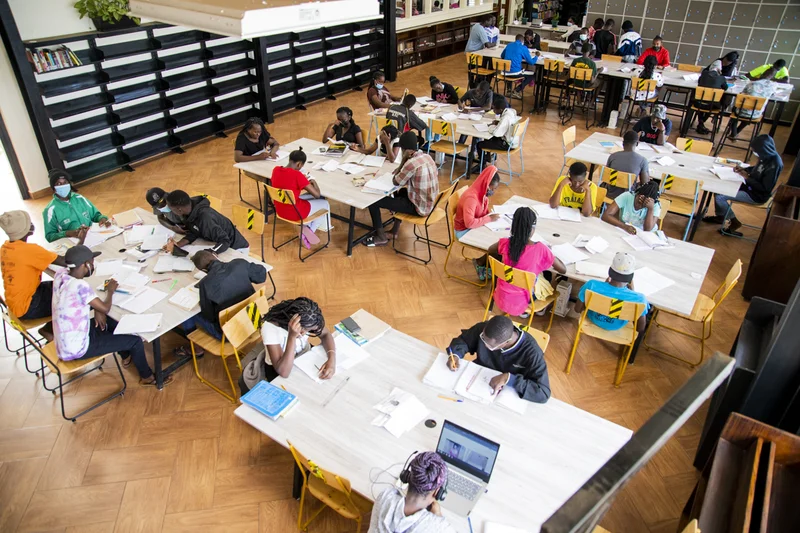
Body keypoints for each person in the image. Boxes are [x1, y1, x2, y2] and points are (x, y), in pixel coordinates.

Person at [52, 245, 165, 385]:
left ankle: (126, 355)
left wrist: (98, 310)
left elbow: (76, 303)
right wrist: (110, 291)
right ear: (85, 265)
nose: (93, 267)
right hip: (78, 348)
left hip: (66, 339)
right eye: (92, 264)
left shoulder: (61, 275)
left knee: (111, 322)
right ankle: (147, 377)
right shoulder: (80, 286)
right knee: (136, 341)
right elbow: (105, 308)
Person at [447, 315, 551, 403]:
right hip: (475, 381)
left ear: (507, 342)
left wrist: (510, 379)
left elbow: (543, 393)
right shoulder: (484, 330)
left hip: (505, 396)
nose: (485, 346)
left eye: (491, 346)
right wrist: (455, 354)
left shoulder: (532, 353)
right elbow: (464, 340)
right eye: (483, 339)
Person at [487, 207, 566, 317]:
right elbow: (563, 270)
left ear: (513, 226)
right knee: (547, 274)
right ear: (532, 229)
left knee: (524, 274)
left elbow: (490, 250)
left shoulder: (505, 243)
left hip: (501, 295)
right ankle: (534, 310)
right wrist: (552, 255)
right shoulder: (541, 249)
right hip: (523, 301)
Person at [365, 132, 439, 247]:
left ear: (407, 151)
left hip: (419, 208)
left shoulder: (411, 163)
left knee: (372, 201)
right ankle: (394, 231)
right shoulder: (427, 157)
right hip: (430, 203)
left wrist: (403, 163)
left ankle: (381, 237)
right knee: (402, 192)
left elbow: (396, 181)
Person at [0, 211, 68, 335]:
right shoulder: (29, 250)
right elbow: (65, 261)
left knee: (61, 284)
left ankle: (52, 327)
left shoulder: (5, 247)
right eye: (29, 223)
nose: (32, 225)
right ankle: (51, 330)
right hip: (28, 307)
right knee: (74, 295)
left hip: (15, 303)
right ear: (24, 229)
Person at [180, 250, 267, 342]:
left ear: (203, 270)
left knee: (186, 314)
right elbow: (261, 276)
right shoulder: (239, 263)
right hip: (255, 319)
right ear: (215, 256)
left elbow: (209, 316)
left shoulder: (205, 284)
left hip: (230, 334)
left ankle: (196, 350)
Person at [704, 135, 783, 236]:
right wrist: (745, 170)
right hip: (749, 186)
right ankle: (721, 216)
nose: (755, 154)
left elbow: (764, 188)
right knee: (718, 188)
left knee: (720, 197)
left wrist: (747, 177)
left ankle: (734, 222)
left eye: (756, 151)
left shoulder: (774, 164)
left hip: (756, 195)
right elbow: (758, 169)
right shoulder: (766, 156)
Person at [368, 452, 455, 533]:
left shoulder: (385, 497)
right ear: (437, 492)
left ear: (407, 476)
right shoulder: (439, 527)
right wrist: (438, 515)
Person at [258, 298, 335, 382]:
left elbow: (326, 334)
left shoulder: (309, 318)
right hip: (281, 366)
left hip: (303, 355)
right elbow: (284, 372)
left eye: (309, 330)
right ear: (292, 320)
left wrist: (332, 359)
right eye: (303, 329)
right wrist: (292, 337)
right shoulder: (270, 328)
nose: (304, 333)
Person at [573, 252, 649, 333]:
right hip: (617, 327)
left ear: (610, 271)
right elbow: (639, 328)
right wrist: (632, 292)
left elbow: (577, 309)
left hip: (593, 319)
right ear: (631, 277)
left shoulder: (591, 285)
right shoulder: (640, 299)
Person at [270, 149, 331, 248]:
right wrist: (313, 181)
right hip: (295, 212)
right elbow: (317, 195)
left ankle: (307, 229)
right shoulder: (297, 175)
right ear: (299, 164)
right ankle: (309, 231)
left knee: (307, 198)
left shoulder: (276, 170)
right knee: (324, 203)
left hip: (280, 209)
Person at [454, 166, 501, 281]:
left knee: (500, 240)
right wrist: (489, 219)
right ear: (486, 184)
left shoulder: (481, 193)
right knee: (497, 245)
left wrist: (489, 215)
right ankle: (484, 265)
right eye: (493, 188)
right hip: (464, 231)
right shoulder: (472, 198)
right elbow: (469, 223)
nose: (494, 191)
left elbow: (482, 212)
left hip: (473, 225)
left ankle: (483, 262)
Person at [164, 190, 249, 254]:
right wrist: (178, 244)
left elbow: (225, 241)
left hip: (236, 248)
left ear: (179, 209)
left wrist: (208, 253)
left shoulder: (205, 218)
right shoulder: (188, 211)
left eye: (171, 210)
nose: (171, 212)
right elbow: (194, 230)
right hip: (217, 244)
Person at [43, 169, 111, 242]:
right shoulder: (50, 210)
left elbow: (96, 215)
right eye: (59, 184)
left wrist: (102, 219)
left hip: (92, 236)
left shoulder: (80, 198)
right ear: (53, 188)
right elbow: (50, 236)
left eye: (65, 182)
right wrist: (67, 233)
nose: (63, 186)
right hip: (72, 243)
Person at [475, 95, 519, 172]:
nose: (493, 111)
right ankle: (487, 158)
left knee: (479, 144)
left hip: (507, 144)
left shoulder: (506, 118)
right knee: (488, 140)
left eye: (494, 109)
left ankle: (482, 165)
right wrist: (499, 123)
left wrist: (490, 127)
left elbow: (496, 133)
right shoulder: (510, 112)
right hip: (513, 141)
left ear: (501, 109)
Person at [605, 130, 650, 199]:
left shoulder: (613, 156)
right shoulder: (643, 161)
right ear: (637, 143)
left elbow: (606, 176)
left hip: (610, 194)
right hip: (628, 197)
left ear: (623, 143)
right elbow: (645, 184)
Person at [691, 60, 729, 135]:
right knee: (714, 103)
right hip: (712, 106)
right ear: (719, 69)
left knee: (702, 101)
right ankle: (702, 122)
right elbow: (725, 88)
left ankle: (701, 122)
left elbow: (699, 83)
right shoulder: (721, 78)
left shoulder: (704, 74)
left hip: (698, 103)